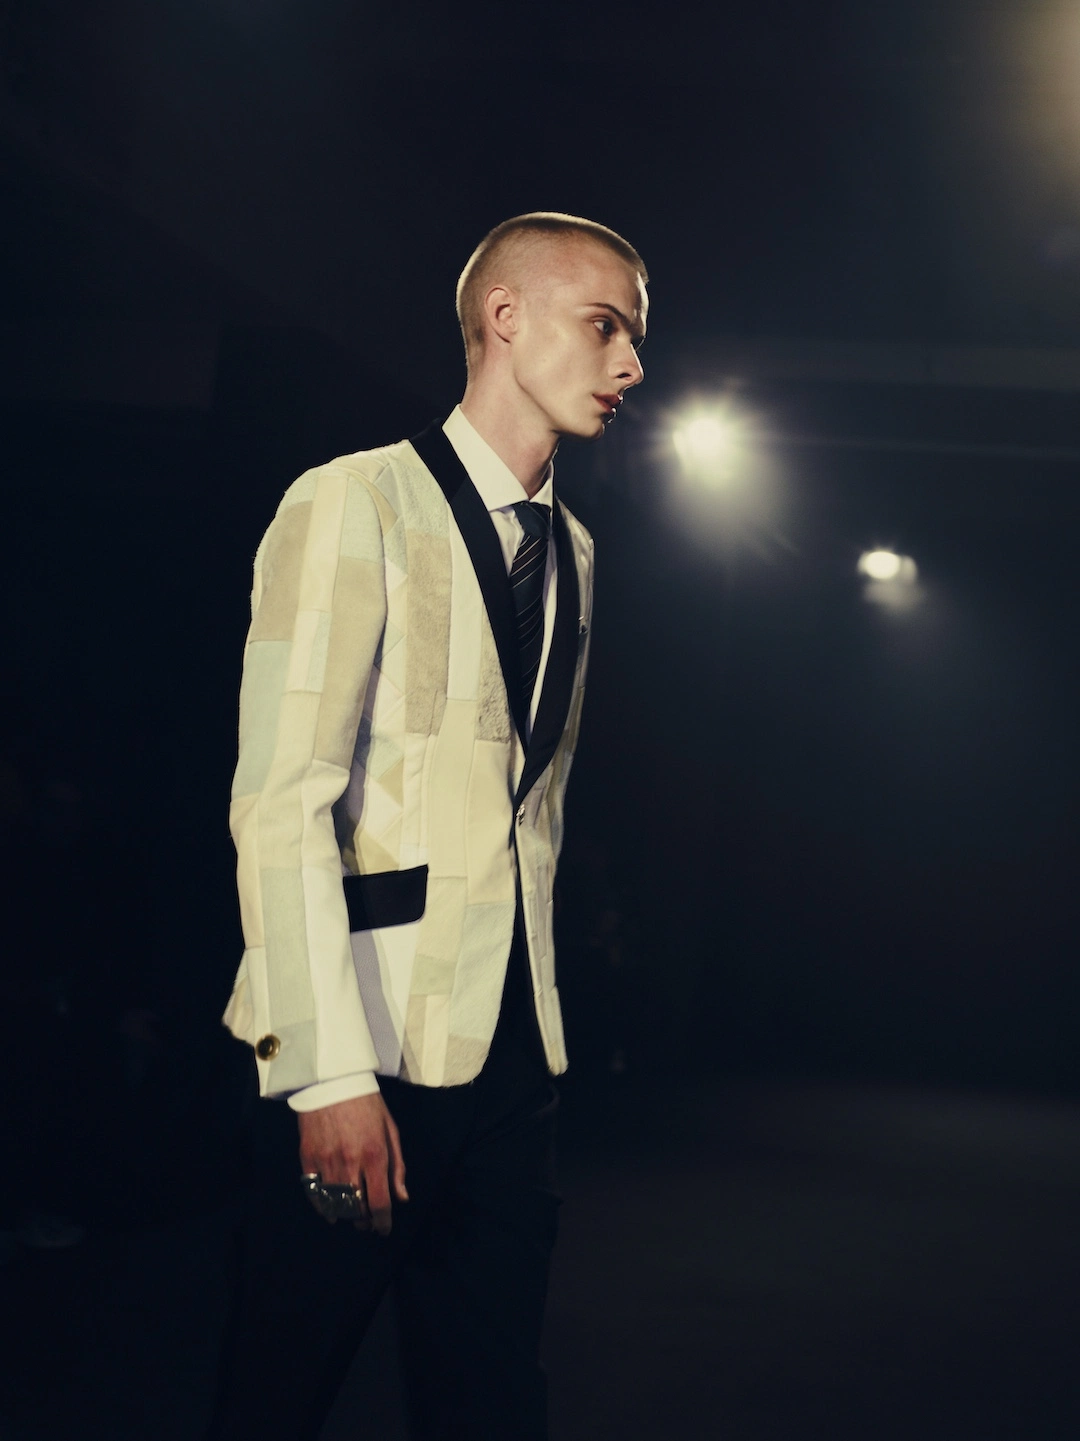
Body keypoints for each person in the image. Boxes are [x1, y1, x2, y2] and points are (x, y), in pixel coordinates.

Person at [209, 212, 648, 1441]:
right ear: (505, 317)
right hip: (361, 1045)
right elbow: (281, 797)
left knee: (492, 1403)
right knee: (274, 1394)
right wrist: (325, 1074)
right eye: (604, 325)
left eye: (634, 339)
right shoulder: (353, 500)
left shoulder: (577, 551)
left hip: (513, 1059)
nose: (630, 364)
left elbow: (525, 809)